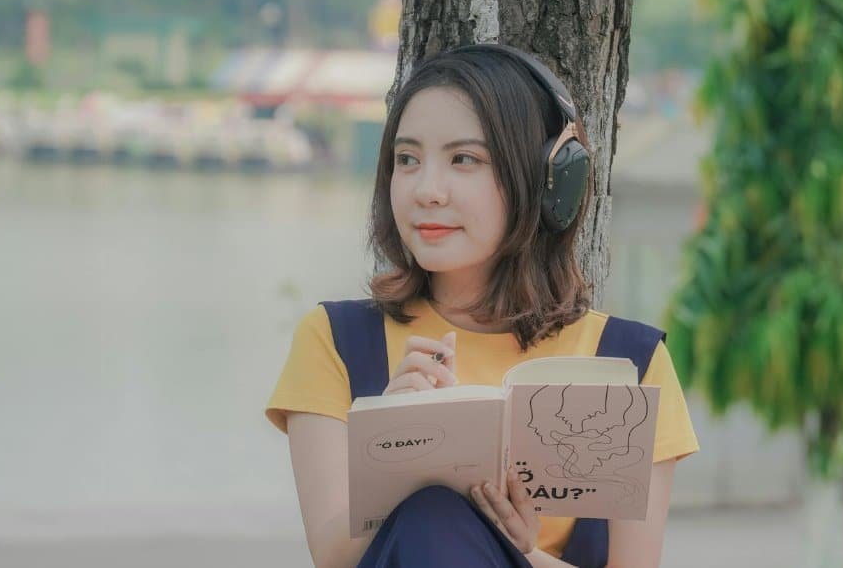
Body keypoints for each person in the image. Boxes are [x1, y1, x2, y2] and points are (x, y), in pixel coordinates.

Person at [265, 44, 699, 568]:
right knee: (431, 518)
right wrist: (395, 444)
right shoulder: (337, 341)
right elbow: (332, 556)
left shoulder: (630, 365)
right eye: (407, 160)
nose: (427, 191)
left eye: (464, 159)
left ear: (547, 180)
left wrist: (521, 551)